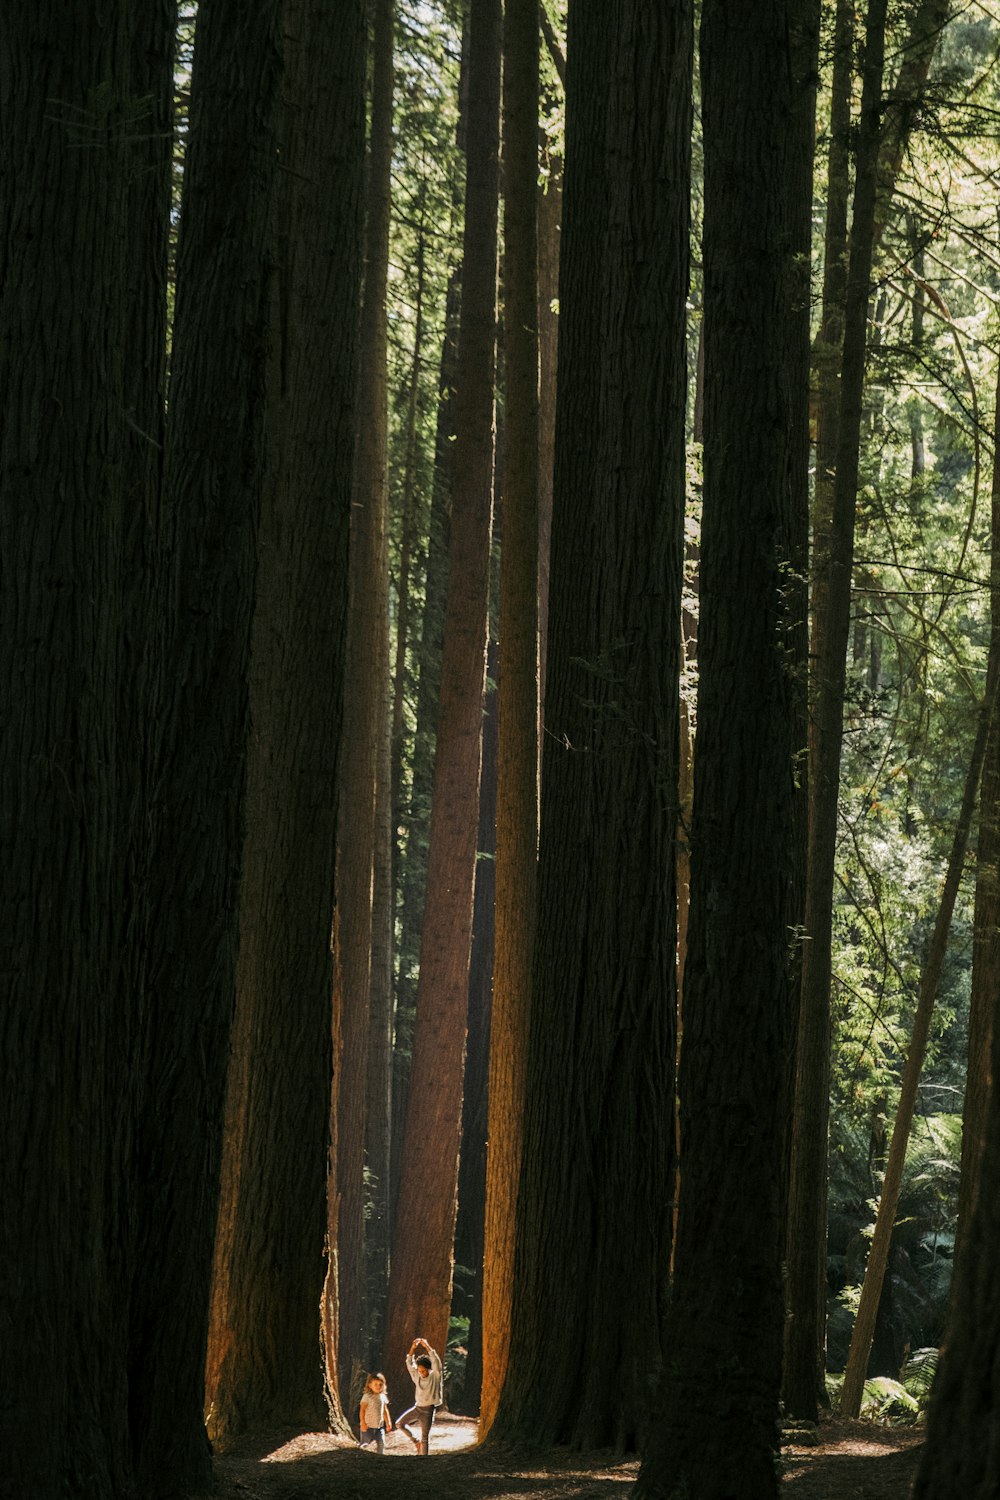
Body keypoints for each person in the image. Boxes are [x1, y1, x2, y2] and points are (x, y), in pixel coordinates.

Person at [396, 1336, 443, 1455]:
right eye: (419, 1371)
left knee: (425, 1438)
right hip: (417, 1408)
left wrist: (426, 1346)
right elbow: (409, 1363)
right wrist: (413, 1348)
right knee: (399, 1424)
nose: (421, 1373)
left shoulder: (435, 1376)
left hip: (428, 1411)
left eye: (423, 1371)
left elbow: (435, 1360)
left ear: (429, 1369)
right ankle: (415, 1442)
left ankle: (424, 1459)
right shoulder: (416, 1376)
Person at [358, 1371, 392, 1454]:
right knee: (365, 1444)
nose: (378, 1386)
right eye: (375, 1384)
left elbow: (385, 1410)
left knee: (381, 1443)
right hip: (368, 1426)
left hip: (379, 1426)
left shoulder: (382, 1396)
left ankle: (380, 1457)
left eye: (380, 1384)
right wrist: (363, 1423)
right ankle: (360, 1456)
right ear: (370, 1385)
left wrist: (388, 1422)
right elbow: (362, 1410)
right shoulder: (367, 1396)